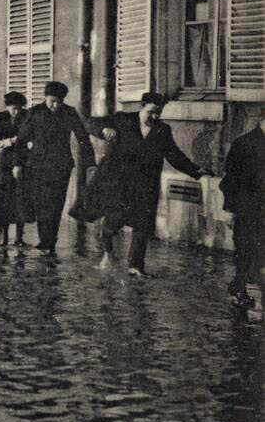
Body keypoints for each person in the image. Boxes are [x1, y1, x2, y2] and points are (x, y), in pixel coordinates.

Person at [73, 92, 206, 276]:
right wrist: (103, 130)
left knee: (143, 225)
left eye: (159, 113)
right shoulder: (122, 119)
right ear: (142, 106)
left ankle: (135, 266)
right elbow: (89, 123)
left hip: (145, 184)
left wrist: (196, 171)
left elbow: (174, 155)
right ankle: (108, 253)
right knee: (113, 222)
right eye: (151, 112)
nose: (155, 117)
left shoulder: (162, 130)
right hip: (118, 182)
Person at [14, 80, 96, 254]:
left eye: (59, 101)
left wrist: (90, 163)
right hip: (37, 166)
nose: (56, 105)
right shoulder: (34, 113)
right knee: (42, 203)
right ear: (45, 98)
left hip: (61, 166)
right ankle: (45, 239)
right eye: (52, 101)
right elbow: (21, 141)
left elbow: (83, 138)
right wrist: (18, 164)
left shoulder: (69, 113)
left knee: (56, 203)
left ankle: (49, 241)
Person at [221, 113, 265, 309]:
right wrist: (230, 210)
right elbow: (231, 180)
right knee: (245, 249)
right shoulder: (244, 143)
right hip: (246, 207)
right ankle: (240, 289)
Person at [0, 91, 32, 246]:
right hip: (4, 162)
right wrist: (11, 141)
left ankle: (19, 237)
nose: (17, 111)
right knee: (3, 199)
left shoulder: (28, 117)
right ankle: (3, 235)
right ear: (7, 107)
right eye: (14, 108)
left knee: (21, 199)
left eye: (19, 108)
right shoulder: (0, 118)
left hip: (23, 161)